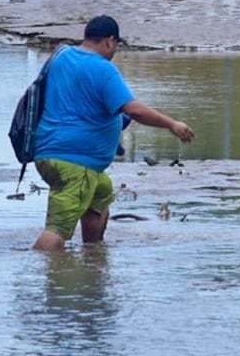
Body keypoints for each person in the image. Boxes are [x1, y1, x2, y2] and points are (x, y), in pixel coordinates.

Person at [32, 15, 193, 252]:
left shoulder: (61, 57)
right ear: (110, 41)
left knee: (101, 192)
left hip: (49, 155)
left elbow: (78, 101)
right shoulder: (104, 69)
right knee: (57, 229)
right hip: (75, 164)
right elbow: (134, 110)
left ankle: (93, 255)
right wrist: (171, 124)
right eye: (116, 45)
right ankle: (34, 268)